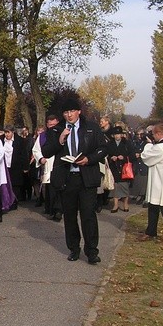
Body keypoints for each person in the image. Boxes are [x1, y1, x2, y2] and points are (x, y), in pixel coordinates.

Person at [41, 99, 107, 264]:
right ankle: (74, 249)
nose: (69, 115)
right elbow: (46, 151)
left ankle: (92, 251)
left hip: (86, 177)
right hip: (66, 177)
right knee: (70, 216)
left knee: (88, 215)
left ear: (79, 111)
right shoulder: (56, 129)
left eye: (72, 111)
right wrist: (60, 140)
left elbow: (103, 148)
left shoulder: (91, 127)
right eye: (65, 112)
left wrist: (89, 159)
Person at [139, 123, 163, 244]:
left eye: (153, 134)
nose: (153, 137)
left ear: (158, 133)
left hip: (161, 181)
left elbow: (146, 156)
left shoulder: (161, 147)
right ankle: (151, 231)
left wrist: (148, 145)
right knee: (153, 205)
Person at [32, 114, 62, 221]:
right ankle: (50, 208)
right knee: (49, 189)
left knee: (59, 188)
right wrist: (40, 159)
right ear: (47, 125)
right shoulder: (43, 136)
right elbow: (36, 150)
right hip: (48, 164)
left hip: (60, 165)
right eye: (50, 125)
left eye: (55, 125)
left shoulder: (63, 134)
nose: (53, 127)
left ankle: (58, 210)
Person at [106, 126, 134, 213]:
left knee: (124, 186)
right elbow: (106, 155)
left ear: (121, 135)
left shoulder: (127, 143)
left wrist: (124, 157)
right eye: (115, 134)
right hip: (114, 167)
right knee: (115, 187)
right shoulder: (110, 144)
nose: (117, 136)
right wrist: (111, 158)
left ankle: (125, 203)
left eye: (118, 134)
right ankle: (115, 205)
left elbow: (132, 155)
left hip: (124, 168)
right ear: (113, 135)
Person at [3, 124, 29, 207]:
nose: (7, 134)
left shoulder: (20, 141)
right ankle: (6, 200)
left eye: (8, 132)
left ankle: (14, 201)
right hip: (4, 166)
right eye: (5, 132)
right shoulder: (1, 140)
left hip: (16, 165)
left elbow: (24, 154)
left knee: (15, 185)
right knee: (6, 184)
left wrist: (25, 167)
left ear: (13, 132)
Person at [130, 127, 150, 206]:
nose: (139, 136)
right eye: (137, 134)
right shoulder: (135, 143)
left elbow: (150, 153)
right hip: (136, 165)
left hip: (144, 165)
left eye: (141, 134)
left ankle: (144, 196)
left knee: (144, 182)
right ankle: (139, 195)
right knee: (138, 181)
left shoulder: (147, 144)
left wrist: (141, 155)